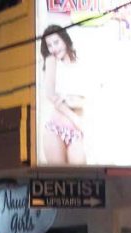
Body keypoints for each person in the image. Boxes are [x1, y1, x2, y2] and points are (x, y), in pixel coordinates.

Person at [41, 25, 86, 165]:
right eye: (49, 45)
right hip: (56, 128)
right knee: (60, 177)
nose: (53, 48)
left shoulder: (80, 63)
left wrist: (68, 100)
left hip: (76, 131)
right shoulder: (51, 61)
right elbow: (50, 94)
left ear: (65, 40)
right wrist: (73, 116)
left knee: (81, 177)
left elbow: (85, 98)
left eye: (56, 42)